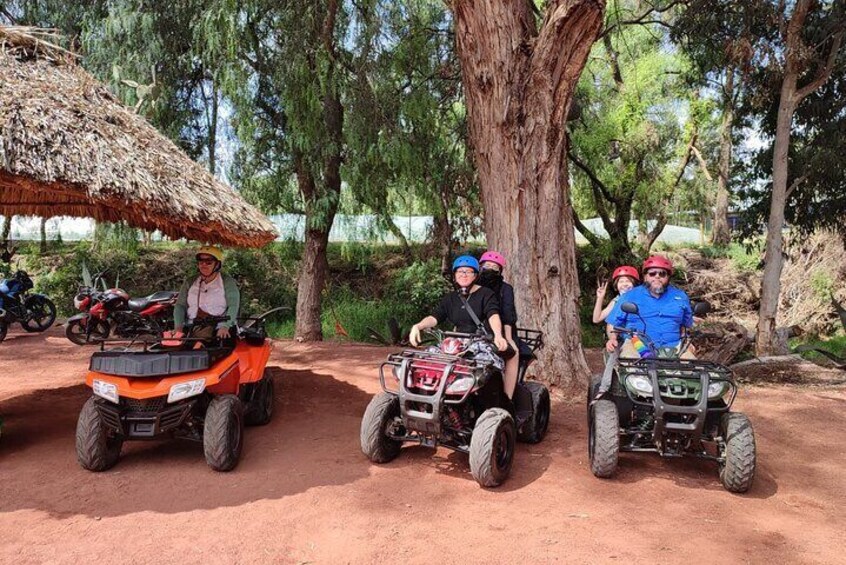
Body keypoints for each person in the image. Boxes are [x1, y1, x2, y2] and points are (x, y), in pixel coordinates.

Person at [409, 255, 508, 355]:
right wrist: (418, 326)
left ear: (475, 275)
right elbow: (435, 317)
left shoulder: (486, 294)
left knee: (482, 364)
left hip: (480, 342)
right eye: (460, 271)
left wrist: (498, 335)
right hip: (456, 343)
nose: (464, 275)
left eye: (469, 271)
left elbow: (493, 314)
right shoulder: (450, 298)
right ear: (455, 275)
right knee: (430, 357)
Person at [605, 255, 695, 359]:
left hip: (674, 346)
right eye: (652, 273)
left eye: (662, 274)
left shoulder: (680, 297)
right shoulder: (629, 296)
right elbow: (612, 323)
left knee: (693, 366)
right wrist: (612, 339)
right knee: (630, 361)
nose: (657, 276)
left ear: (668, 277)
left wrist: (686, 340)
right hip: (637, 344)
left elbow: (685, 325)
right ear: (645, 276)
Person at [476, 250, 521, 400]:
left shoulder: (505, 289)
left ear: (500, 270)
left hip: (500, 330)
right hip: (474, 331)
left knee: (512, 354)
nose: (490, 269)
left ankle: (507, 397)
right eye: (487, 265)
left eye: (494, 267)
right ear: (480, 267)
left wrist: (508, 338)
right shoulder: (473, 285)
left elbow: (508, 314)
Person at [172, 245, 240, 342]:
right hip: (192, 325)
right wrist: (178, 327)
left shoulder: (226, 281)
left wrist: (225, 326)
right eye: (201, 261)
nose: (204, 265)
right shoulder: (190, 281)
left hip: (219, 325)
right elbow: (180, 305)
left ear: (217, 264)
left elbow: (233, 305)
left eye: (208, 262)